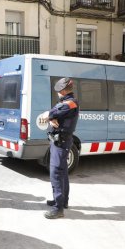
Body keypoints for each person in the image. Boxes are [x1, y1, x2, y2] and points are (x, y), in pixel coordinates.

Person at [43, 77, 79, 219]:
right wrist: (52, 118)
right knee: (62, 172)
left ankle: (58, 208)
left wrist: (50, 117)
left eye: (58, 91)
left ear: (63, 91)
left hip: (61, 142)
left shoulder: (69, 103)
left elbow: (50, 113)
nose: (57, 94)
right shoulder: (67, 103)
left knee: (56, 174)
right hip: (60, 141)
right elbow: (53, 115)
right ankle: (62, 201)